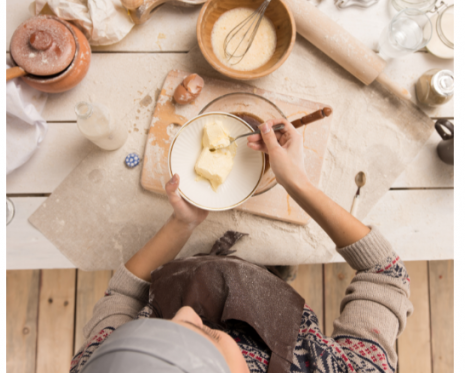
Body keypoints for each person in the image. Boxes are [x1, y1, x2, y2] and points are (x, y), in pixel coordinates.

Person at [70, 119, 413, 373]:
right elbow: (384, 273)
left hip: (183, 262)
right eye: (205, 333)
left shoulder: (103, 364)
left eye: (153, 323)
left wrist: (182, 225)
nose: (185, 310)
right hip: (270, 285)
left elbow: (124, 295)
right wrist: (299, 184)